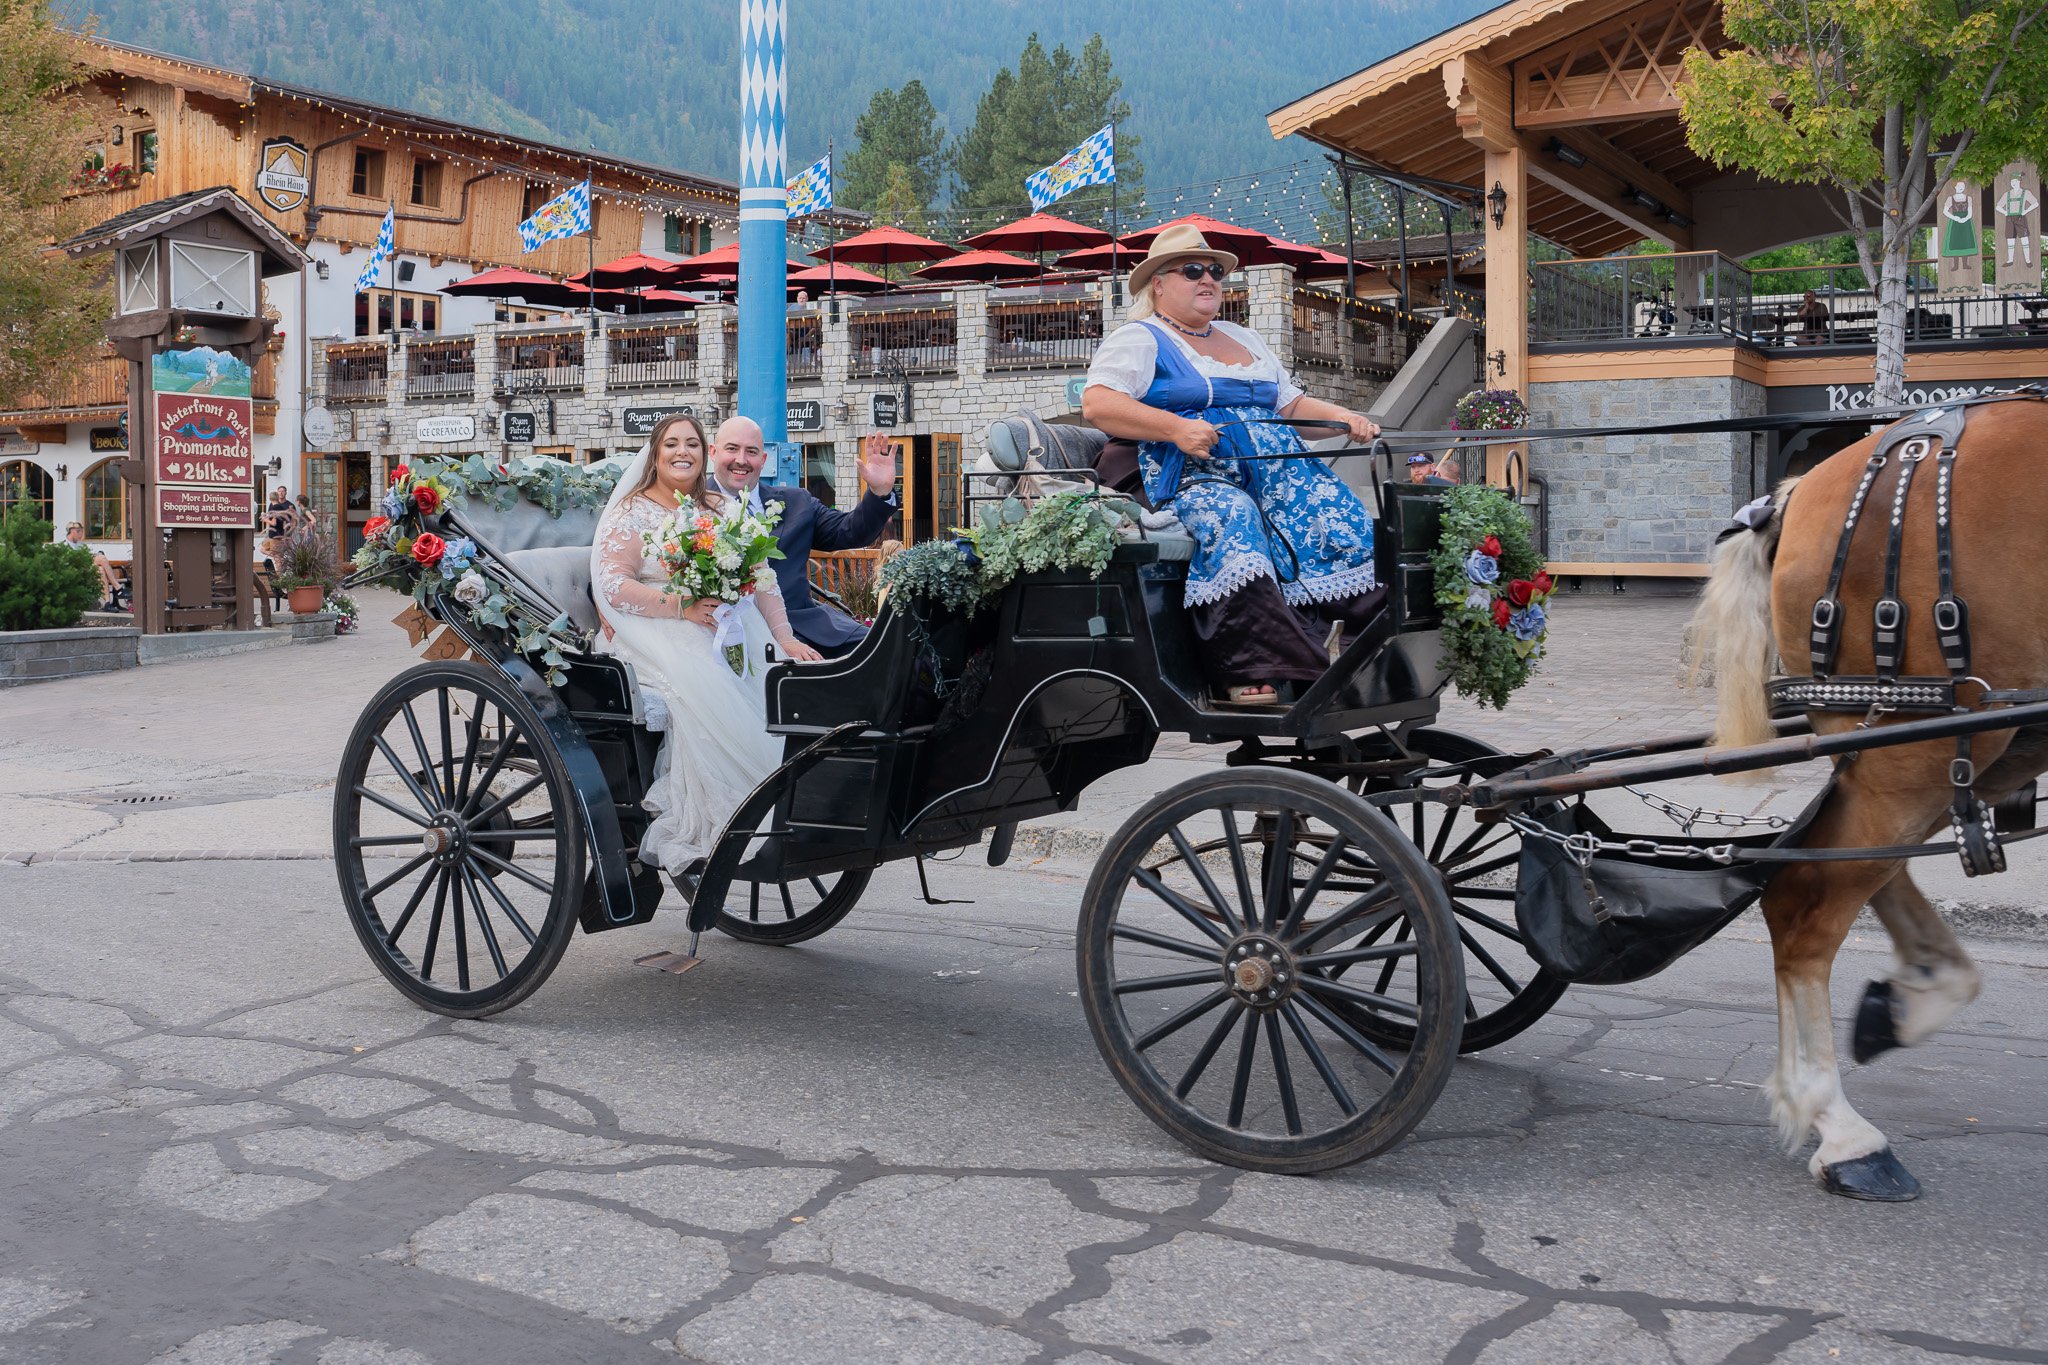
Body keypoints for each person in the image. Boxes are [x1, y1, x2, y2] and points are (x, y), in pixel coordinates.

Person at [1081, 225, 1385, 706]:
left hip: (1273, 471)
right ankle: (1249, 664)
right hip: (1181, 472)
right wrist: (1176, 428)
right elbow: (1097, 405)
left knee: (1333, 509)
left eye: (1216, 272)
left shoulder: (1243, 337)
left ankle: (1351, 644)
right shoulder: (1141, 338)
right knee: (1231, 514)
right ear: (1157, 283)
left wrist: (1344, 419)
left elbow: (1289, 409)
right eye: (1193, 271)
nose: (1209, 280)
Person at [591, 413, 824, 872]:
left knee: (778, 679)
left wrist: (784, 637)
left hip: (723, 627)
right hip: (652, 630)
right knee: (707, 685)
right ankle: (730, 812)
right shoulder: (632, 511)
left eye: (693, 444)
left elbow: (762, 579)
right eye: (672, 444)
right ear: (655, 454)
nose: (683, 452)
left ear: (705, 454)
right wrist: (682, 605)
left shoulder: (719, 508)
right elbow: (613, 586)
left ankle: (801, 798)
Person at [704, 416, 900, 656]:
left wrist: (879, 492)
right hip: (721, 632)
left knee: (892, 653)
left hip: (803, 627)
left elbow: (849, 532)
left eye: (751, 451)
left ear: (763, 460)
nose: (741, 460)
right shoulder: (689, 509)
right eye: (732, 449)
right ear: (713, 452)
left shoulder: (796, 502)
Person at [64, 522, 123, 610]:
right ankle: (117, 586)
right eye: (79, 532)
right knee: (102, 558)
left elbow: (87, 557)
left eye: (82, 532)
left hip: (86, 569)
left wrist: (93, 556)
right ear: (72, 531)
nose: (81, 535)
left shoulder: (80, 544)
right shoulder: (64, 544)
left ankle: (107, 602)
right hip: (75, 570)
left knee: (100, 570)